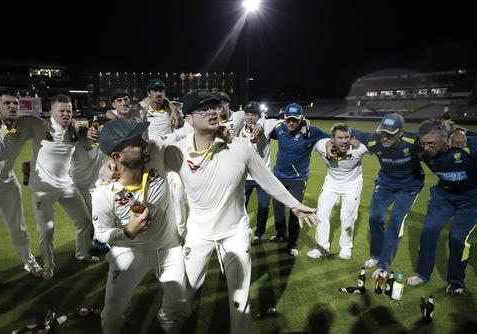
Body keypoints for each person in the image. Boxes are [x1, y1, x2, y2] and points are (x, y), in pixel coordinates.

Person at [174, 90, 319, 333]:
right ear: (188, 119)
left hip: (235, 232)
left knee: (240, 297)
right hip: (199, 233)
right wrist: (110, 166)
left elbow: (267, 179)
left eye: (214, 107)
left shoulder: (241, 147)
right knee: (185, 288)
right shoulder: (176, 151)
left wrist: (294, 204)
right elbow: (147, 156)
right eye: (203, 109)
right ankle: (170, 324)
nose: (212, 112)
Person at [92, 118, 189, 333]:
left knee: (179, 304)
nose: (145, 143)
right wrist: (126, 232)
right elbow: (99, 235)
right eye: (136, 142)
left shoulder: (154, 152)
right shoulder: (103, 193)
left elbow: (186, 131)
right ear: (117, 157)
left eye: (142, 138)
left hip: (169, 248)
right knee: (111, 315)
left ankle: (167, 318)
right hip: (130, 252)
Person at [407, 119, 477, 294]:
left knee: (458, 237)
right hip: (445, 193)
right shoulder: (420, 149)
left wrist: (464, 132)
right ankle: (423, 274)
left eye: (432, 143)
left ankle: (456, 282)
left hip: (476, 196)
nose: (427, 148)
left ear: (446, 138)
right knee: (429, 229)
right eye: (424, 143)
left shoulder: (473, 146)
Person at [27, 94, 98, 280]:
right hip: (42, 189)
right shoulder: (41, 126)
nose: (66, 114)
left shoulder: (75, 128)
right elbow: (17, 122)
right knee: (46, 229)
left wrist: (90, 130)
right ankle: (48, 265)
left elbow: (90, 131)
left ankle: (82, 253)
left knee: (84, 220)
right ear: (51, 111)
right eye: (61, 111)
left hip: (66, 185)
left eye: (69, 111)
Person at [0, 90, 43, 276]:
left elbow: (46, 129)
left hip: (8, 185)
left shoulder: (24, 127)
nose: (13, 106)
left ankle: (29, 262)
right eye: (7, 103)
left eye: (16, 103)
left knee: (18, 228)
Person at [350, 113, 424, 276]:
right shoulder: (372, 140)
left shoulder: (414, 142)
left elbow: (439, 141)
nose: (384, 137)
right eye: (383, 132)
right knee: (375, 217)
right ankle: (376, 255)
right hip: (385, 183)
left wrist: (458, 133)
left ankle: (384, 265)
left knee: (396, 221)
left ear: (401, 132)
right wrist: (352, 137)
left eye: (390, 134)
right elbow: (348, 130)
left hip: (409, 186)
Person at [270, 103, 330, 255]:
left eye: (295, 120)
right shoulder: (279, 128)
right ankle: (281, 234)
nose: (291, 123)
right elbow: (265, 129)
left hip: (297, 180)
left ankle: (292, 244)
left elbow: (330, 138)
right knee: (278, 209)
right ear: (284, 118)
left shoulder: (312, 131)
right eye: (289, 119)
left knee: (296, 212)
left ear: (302, 119)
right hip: (278, 177)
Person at [307, 123, 368, 260]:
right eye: (340, 138)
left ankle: (346, 248)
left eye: (347, 137)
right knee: (321, 213)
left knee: (347, 218)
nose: (345, 141)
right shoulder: (322, 146)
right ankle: (322, 247)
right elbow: (316, 141)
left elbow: (377, 146)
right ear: (332, 139)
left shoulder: (359, 149)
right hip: (331, 183)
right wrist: (328, 146)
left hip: (353, 185)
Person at [239, 102, 280, 246]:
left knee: (263, 207)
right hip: (246, 177)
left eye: (254, 115)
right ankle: (243, 231)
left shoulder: (266, 125)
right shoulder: (240, 131)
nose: (250, 118)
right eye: (248, 114)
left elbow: (278, 121)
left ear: (259, 116)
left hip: (263, 177)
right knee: (241, 206)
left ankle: (258, 234)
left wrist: (261, 124)